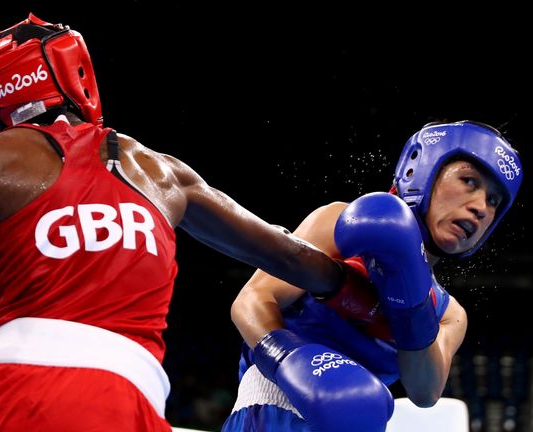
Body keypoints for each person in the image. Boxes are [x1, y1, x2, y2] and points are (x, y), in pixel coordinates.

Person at [0, 13, 350, 432]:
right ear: (77, 73)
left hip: (5, 392)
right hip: (123, 403)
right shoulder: (164, 174)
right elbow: (284, 254)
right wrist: (356, 289)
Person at [222, 120, 524, 431]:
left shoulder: (449, 315)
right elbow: (252, 299)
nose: (481, 208)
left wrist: (411, 303)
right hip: (269, 414)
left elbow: (424, 392)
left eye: (493, 201)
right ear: (421, 172)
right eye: (470, 182)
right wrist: (287, 360)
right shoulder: (340, 223)